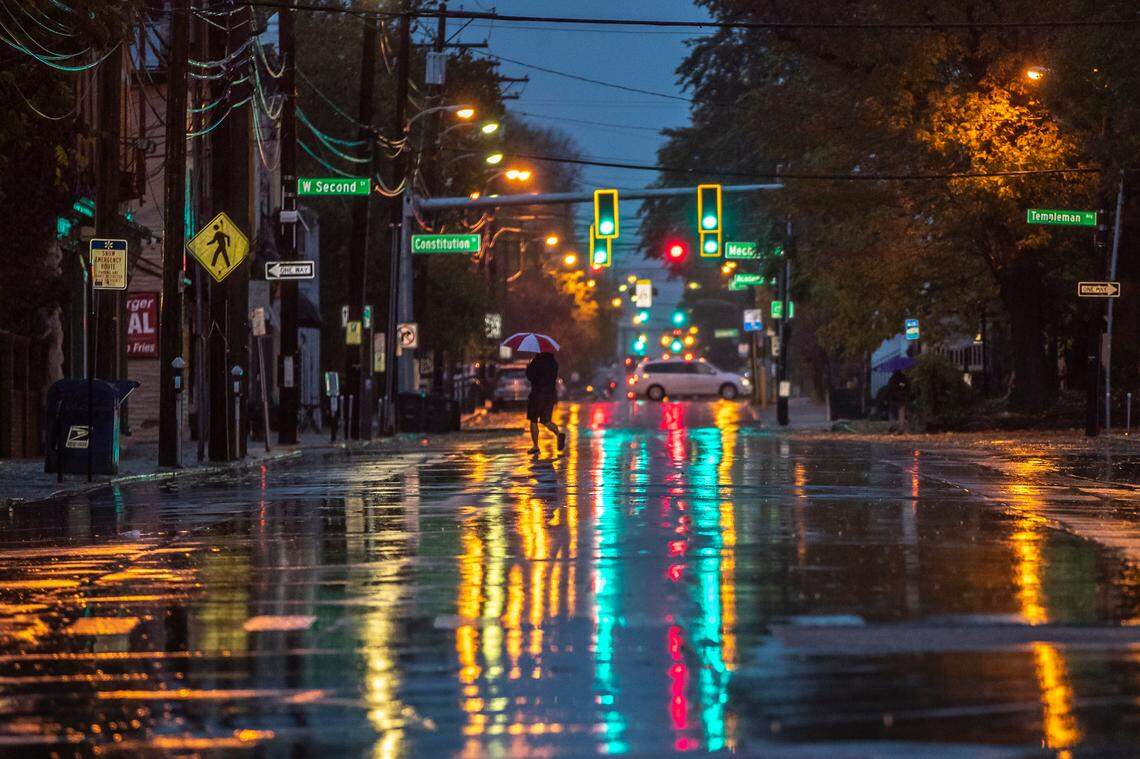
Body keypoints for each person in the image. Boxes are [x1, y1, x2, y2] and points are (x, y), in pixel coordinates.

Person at [525, 351, 566, 455]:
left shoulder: (537, 361)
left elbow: (530, 376)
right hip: (550, 395)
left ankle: (535, 446)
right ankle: (558, 433)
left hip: (537, 395)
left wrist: (529, 367)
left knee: (533, 420)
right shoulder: (553, 363)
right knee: (546, 421)